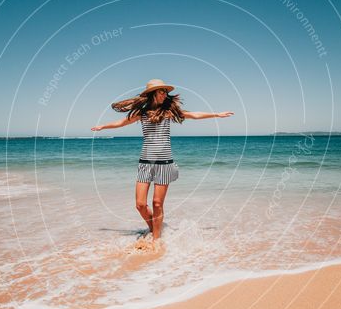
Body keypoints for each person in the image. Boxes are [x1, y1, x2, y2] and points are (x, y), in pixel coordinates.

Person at [91, 79, 234, 249]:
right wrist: (103, 126)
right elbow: (122, 123)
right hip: (145, 163)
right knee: (140, 205)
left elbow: (193, 115)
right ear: (152, 94)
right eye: (161, 91)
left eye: (165, 91)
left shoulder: (169, 112)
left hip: (165, 163)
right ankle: (154, 227)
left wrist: (216, 114)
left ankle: (156, 240)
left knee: (157, 203)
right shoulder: (142, 114)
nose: (164, 94)